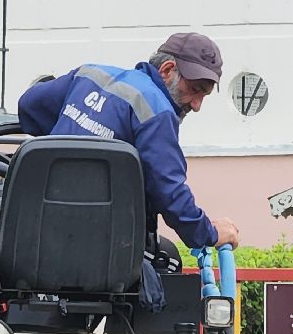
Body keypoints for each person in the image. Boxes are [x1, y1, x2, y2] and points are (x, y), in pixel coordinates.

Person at [17, 32, 242, 256]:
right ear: (167, 70)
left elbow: (30, 105)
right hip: (103, 246)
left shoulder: (90, 75)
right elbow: (170, 192)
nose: (196, 105)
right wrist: (209, 232)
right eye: (195, 90)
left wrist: (70, 140)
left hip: (37, 224)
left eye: (204, 96)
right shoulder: (156, 111)